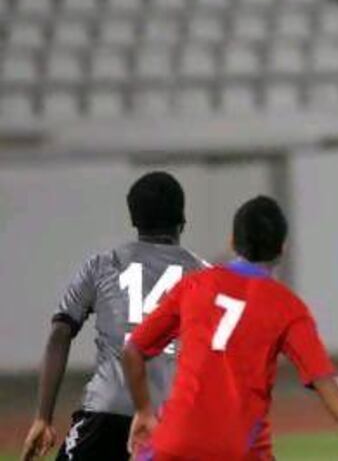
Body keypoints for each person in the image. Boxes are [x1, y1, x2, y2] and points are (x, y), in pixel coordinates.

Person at [122, 196, 338, 461]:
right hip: (240, 450)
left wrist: (143, 409)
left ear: (232, 241)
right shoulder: (288, 307)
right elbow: (326, 380)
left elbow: (132, 351)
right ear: (282, 248)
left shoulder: (194, 285)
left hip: (173, 443)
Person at [21, 172, 207, 461]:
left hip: (105, 412)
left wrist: (43, 418)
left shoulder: (102, 265)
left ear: (133, 220)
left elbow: (60, 332)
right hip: (174, 418)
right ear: (183, 220)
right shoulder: (205, 276)